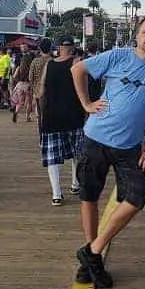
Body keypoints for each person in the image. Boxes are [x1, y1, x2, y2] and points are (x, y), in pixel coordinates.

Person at [72, 16, 145, 288]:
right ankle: (92, 260)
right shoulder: (117, 56)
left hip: (130, 146)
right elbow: (78, 70)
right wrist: (87, 103)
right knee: (89, 196)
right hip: (96, 138)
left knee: (137, 196)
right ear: (137, 35)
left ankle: (93, 250)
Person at [38, 37, 85, 206]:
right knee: (77, 153)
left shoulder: (49, 64)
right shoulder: (78, 62)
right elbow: (84, 88)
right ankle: (75, 184)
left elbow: (41, 91)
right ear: (72, 47)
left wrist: (41, 114)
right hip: (74, 114)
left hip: (51, 115)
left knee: (53, 156)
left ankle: (56, 194)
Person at [29, 38, 53, 124]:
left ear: (40, 48)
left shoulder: (35, 61)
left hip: (37, 91)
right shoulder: (53, 61)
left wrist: (33, 88)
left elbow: (30, 77)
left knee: (39, 116)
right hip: (50, 92)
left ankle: (41, 134)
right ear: (50, 48)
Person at [11, 53, 33, 122]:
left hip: (20, 84)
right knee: (29, 102)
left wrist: (17, 81)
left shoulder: (19, 67)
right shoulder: (30, 68)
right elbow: (31, 78)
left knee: (20, 102)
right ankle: (27, 117)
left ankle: (16, 112)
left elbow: (14, 77)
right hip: (27, 85)